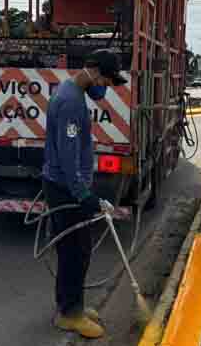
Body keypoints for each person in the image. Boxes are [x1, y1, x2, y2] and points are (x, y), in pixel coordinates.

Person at [42, 49, 126, 339]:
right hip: (66, 190)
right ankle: (69, 314)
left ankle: (70, 305)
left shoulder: (72, 94)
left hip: (67, 187)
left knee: (75, 251)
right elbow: (67, 158)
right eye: (105, 79)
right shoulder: (70, 102)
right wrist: (83, 195)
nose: (105, 86)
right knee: (75, 253)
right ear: (93, 71)